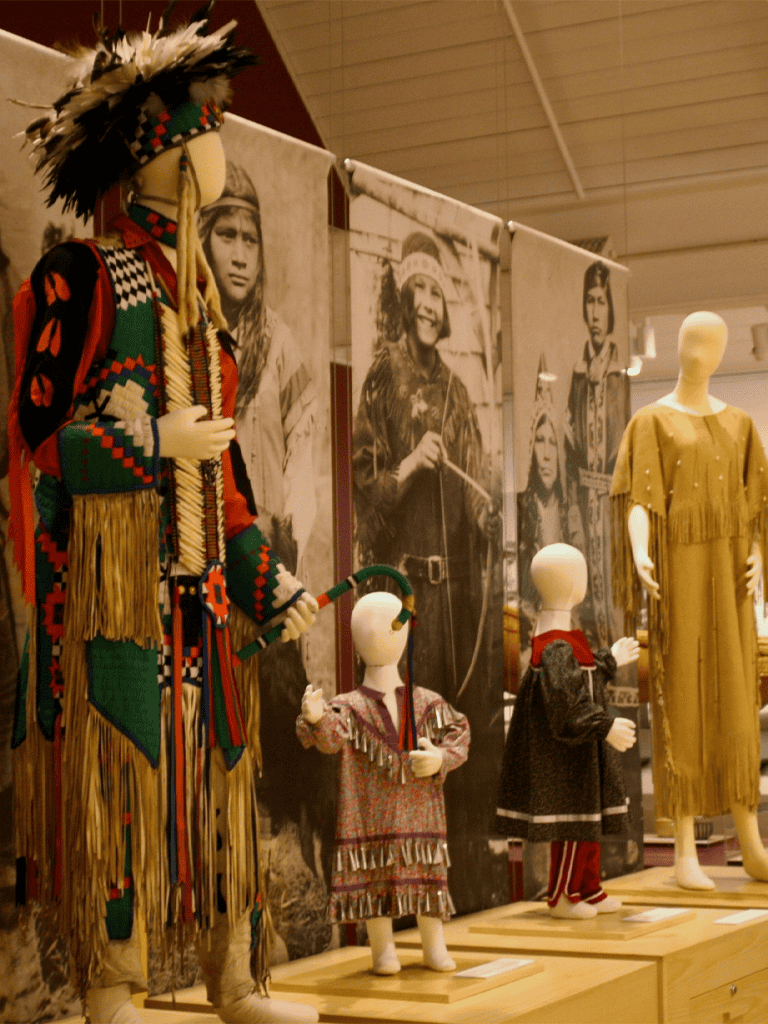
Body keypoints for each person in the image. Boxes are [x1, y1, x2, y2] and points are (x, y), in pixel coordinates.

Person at [7, 15, 318, 1024]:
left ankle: (234, 978)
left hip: (205, 603)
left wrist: (263, 573)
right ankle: (113, 987)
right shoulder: (82, 280)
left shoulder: (205, 319)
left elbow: (225, 479)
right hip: (114, 603)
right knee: (122, 792)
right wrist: (148, 448)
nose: (219, 142)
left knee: (223, 789)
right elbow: (37, 441)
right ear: (155, 146)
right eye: (207, 124)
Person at [352, 231, 497, 908]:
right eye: (422, 290)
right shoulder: (383, 373)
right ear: (407, 299)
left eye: (440, 292)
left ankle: (455, 887)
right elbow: (361, 484)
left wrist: (485, 513)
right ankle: (404, 894)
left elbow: (474, 487)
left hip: (451, 601)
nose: (431, 304)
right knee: (403, 741)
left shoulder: (457, 389)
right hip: (404, 599)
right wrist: (410, 466)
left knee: (447, 738)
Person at [612, 311, 768, 892]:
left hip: (729, 579)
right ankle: (683, 847)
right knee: (680, 695)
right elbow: (637, 496)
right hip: (678, 572)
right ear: (677, 348)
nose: (701, 351)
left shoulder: (743, 425)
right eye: (693, 341)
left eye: (712, 343)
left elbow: (757, 507)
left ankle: (748, 835)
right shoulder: (651, 421)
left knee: (735, 696)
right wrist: (640, 549)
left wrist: (757, 553)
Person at [297, 590, 469, 973]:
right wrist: (313, 717)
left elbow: (460, 734)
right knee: (372, 876)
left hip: (421, 816)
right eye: (365, 628)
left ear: (404, 632)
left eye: (385, 626)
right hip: (368, 818)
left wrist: (442, 757)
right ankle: (382, 949)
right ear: (355, 640)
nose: (376, 635)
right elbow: (328, 739)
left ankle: (434, 945)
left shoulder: (427, 702)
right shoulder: (348, 707)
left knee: (427, 875)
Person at [496, 544, 638, 918]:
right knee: (572, 825)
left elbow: (580, 680)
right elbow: (566, 705)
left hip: (579, 751)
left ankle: (589, 887)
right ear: (575, 583)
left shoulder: (561, 638)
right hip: (563, 754)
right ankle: (562, 894)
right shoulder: (556, 645)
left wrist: (609, 659)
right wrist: (604, 726)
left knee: (586, 822)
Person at [199, 163, 316, 573]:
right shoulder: (182, 337)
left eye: (251, 241)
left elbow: (302, 466)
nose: (240, 257)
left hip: (267, 562)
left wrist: (285, 552)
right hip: (201, 559)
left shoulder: (279, 345)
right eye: (226, 235)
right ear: (202, 239)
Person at [564, 261, 629, 648]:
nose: (595, 313)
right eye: (589, 302)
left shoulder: (621, 375)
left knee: (614, 604)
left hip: (613, 510)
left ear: (610, 308)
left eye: (601, 302)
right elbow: (571, 455)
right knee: (583, 598)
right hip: (582, 513)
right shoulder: (576, 376)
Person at [517, 357, 584, 652]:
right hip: (534, 625)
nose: (545, 454)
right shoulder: (523, 509)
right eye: (539, 441)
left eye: (552, 443)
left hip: (570, 621)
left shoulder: (572, 510)